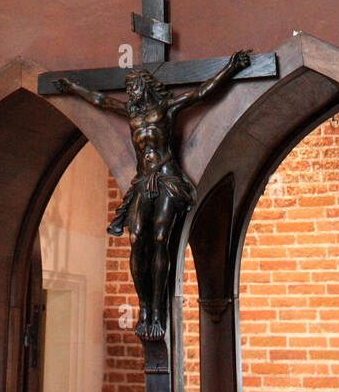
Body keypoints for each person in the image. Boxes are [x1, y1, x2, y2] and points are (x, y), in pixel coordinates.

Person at [54, 50, 253, 340]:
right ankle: (145, 307)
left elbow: (201, 92)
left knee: (160, 237)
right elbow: (101, 100)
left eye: (134, 87)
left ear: (144, 86)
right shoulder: (131, 113)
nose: (130, 93)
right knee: (136, 237)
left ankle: (159, 308)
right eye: (129, 89)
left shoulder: (165, 110)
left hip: (167, 177)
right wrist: (72, 88)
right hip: (143, 180)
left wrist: (231, 68)